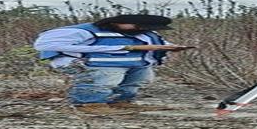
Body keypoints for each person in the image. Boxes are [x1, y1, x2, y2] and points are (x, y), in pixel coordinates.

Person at [34, 14, 194, 114]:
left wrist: (171, 47)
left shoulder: (146, 33)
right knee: (102, 81)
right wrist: (125, 47)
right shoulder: (82, 31)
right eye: (140, 26)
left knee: (135, 82)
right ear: (119, 23)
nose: (144, 29)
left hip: (136, 64)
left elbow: (157, 42)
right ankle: (89, 104)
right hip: (94, 64)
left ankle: (121, 102)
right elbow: (46, 46)